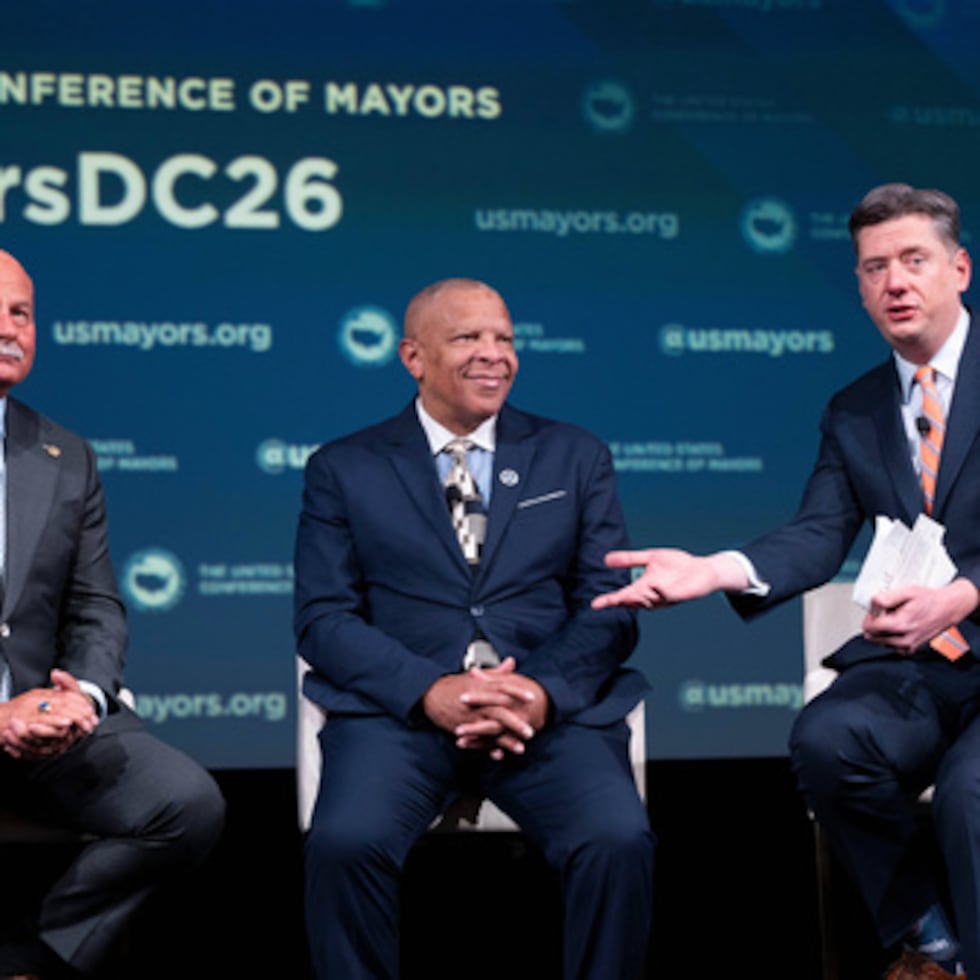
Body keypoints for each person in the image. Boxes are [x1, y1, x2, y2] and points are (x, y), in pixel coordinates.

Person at [593, 183, 980, 979]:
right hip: (925, 664)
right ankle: (927, 936)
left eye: (914, 260)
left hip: (967, 626)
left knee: (974, 798)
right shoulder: (856, 409)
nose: (895, 282)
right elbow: (817, 534)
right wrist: (713, 570)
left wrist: (964, 592)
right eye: (874, 268)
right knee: (827, 740)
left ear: (960, 268)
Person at [294, 277, 653, 978]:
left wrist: (541, 692)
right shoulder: (345, 466)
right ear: (413, 356)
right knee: (343, 843)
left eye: (505, 339)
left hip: (542, 713)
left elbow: (609, 602)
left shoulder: (573, 455)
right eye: (468, 338)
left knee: (618, 839)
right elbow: (322, 618)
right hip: (399, 717)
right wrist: (430, 688)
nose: (494, 355)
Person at [0, 250, 225, 980]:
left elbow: (96, 604)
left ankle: (35, 958)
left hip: (44, 727)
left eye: (21, 313)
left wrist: (80, 697)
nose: (10, 328)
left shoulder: (65, 454)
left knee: (187, 805)